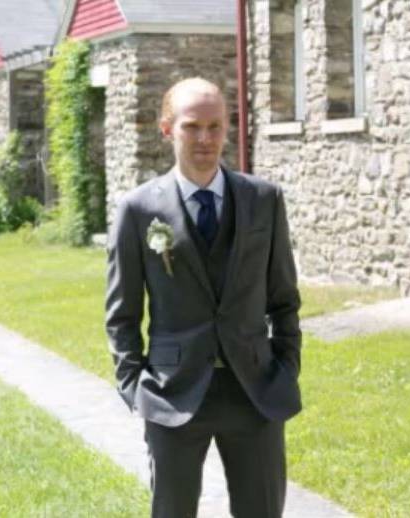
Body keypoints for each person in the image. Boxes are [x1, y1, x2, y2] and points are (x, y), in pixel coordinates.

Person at [105, 78, 301, 518]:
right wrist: (135, 388)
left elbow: (284, 299)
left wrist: (286, 368)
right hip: (172, 394)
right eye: (192, 127)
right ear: (166, 129)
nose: (205, 139)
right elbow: (122, 314)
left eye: (215, 127)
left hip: (255, 390)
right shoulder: (137, 211)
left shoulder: (263, 200)